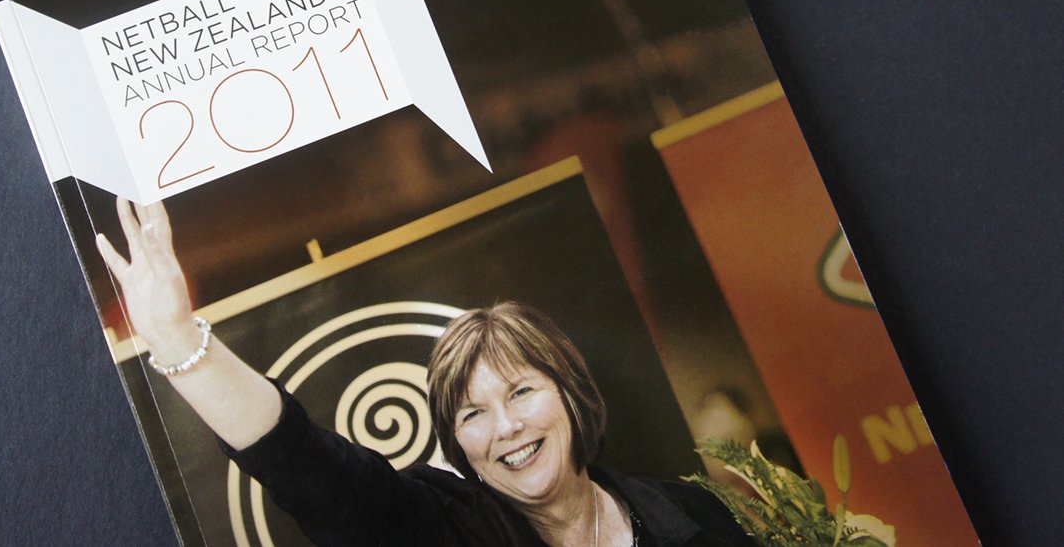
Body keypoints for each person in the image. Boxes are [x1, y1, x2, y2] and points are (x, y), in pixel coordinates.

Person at [97, 198, 752, 546]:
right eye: (473, 413)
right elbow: (310, 469)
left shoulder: (692, 514)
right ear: (456, 440)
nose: (506, 426)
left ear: (572, 396)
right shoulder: (446, 528)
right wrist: (182, 343)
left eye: (522, 391)